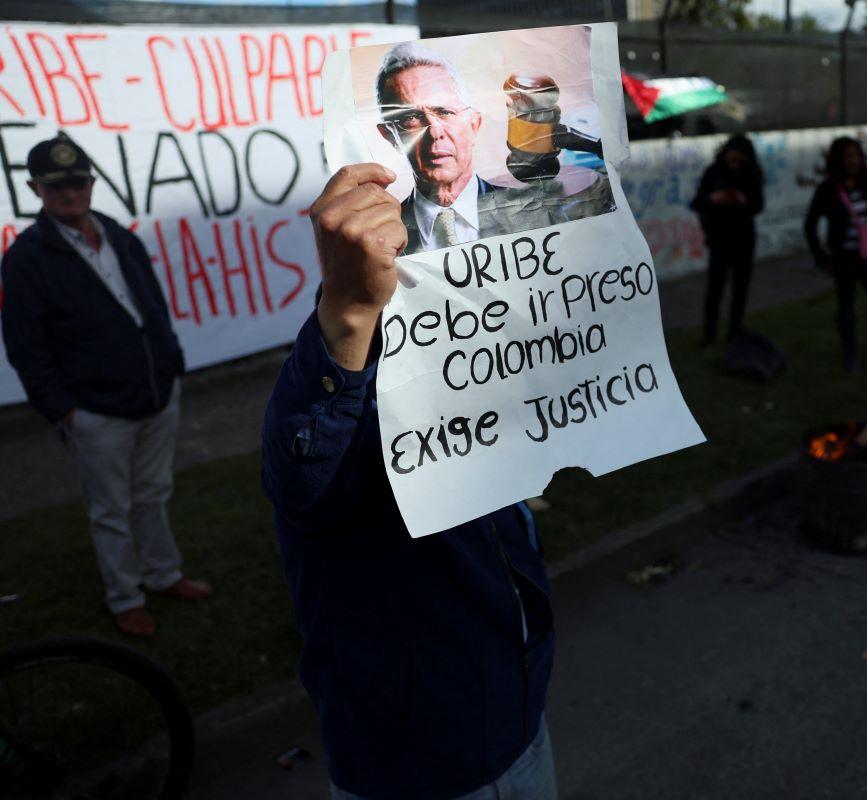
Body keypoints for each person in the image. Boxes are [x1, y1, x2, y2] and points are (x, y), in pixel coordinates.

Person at [261, 163, 557, 800]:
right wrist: (346, 315)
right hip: (416, 771)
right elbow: (303, 484)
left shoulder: (478, 360)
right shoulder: (348, 377)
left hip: (522, 725)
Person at [1, 134, 212, 638]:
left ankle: (163, 574)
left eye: (77, 182)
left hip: (156, 394)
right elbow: (26, 348)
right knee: (110, 511)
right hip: (95, 412)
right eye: (56, 187)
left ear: (92, 183)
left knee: (153, 493)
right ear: (34, 189)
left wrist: (170, 363)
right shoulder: (26, 259)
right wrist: (64, 411)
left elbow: (151, 304)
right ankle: (125, 597)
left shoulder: (118, 233)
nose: (70, 194)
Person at [374, 42, 613, 254]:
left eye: (445, 112)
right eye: (411, 118)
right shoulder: (376, 240)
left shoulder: (546, 213)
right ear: (389, 136)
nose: (435, 132)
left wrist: (601, 147)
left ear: (474, 124)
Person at [803, 136, 867, 373]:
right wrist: (821, 257)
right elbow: (810, 224)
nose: (853, 161)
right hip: (845, 258)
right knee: (846, 308)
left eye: (856, 155)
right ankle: (850, 357)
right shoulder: (828, 189)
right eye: (848, 156)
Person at [689, 134, 764, 345]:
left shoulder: (751, 175)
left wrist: (743, 201)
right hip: (720, 238)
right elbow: (697, 202)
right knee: (715, 290)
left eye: (740, 160)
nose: (736, 164)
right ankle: (710, 333)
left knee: (740, 290)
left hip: (743, 239)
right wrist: (713, 198)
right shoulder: (713, 173)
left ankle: (735, 331)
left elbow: (758, 205)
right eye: (733, 158)